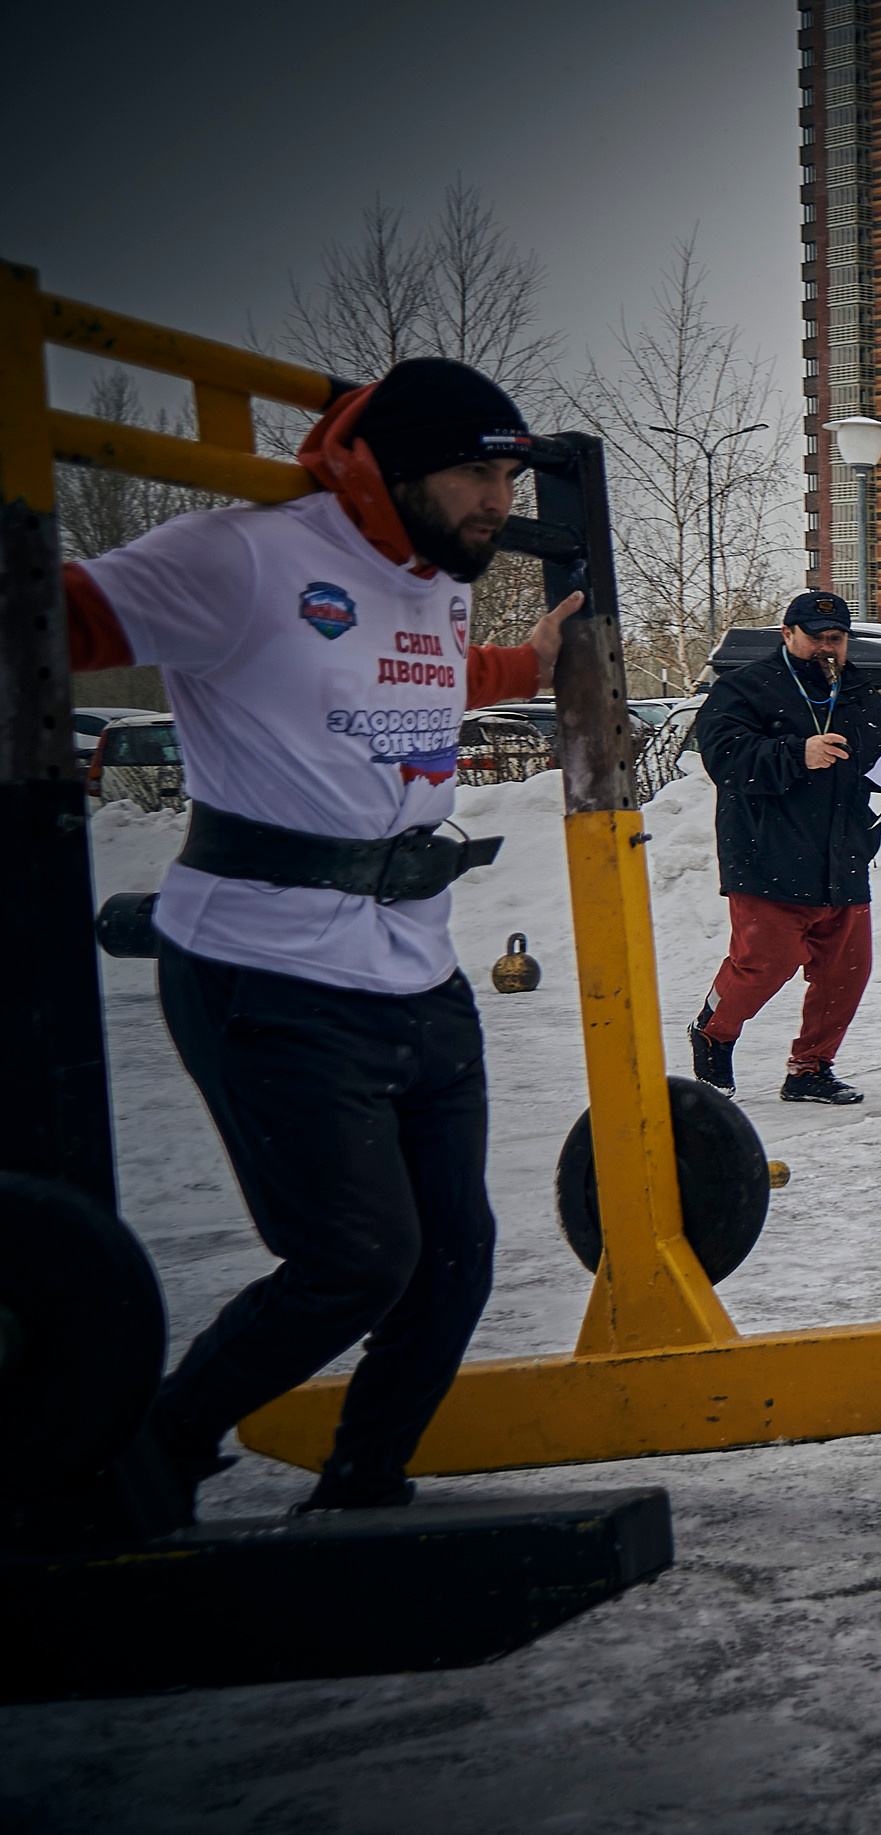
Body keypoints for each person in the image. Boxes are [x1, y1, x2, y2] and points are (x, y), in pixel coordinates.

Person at [64, 356, 578, 1515]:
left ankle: (362, 1490)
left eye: (506, 473)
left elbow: (420, 679)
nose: (498, 498)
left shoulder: (436, 575)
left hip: (417, 968)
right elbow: (61, 618)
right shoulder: (242, 557)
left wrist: (527, 667)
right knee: (355, 1260)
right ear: (386, 468)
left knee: (453, 1265)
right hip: (266, 971)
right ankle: (147, 1453)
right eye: (471, 471)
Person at [686, 592, 881, 1105]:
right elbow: (723, 758)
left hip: (843, 855)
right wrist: (795, 752)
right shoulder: (744, 688)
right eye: (815, 637)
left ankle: (810, 1068)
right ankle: (713, 1032)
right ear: (787, 634)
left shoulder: (855, 691)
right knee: (766, 962)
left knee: (845, 973)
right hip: (768, 856)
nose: (827, 648)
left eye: (837, 638)